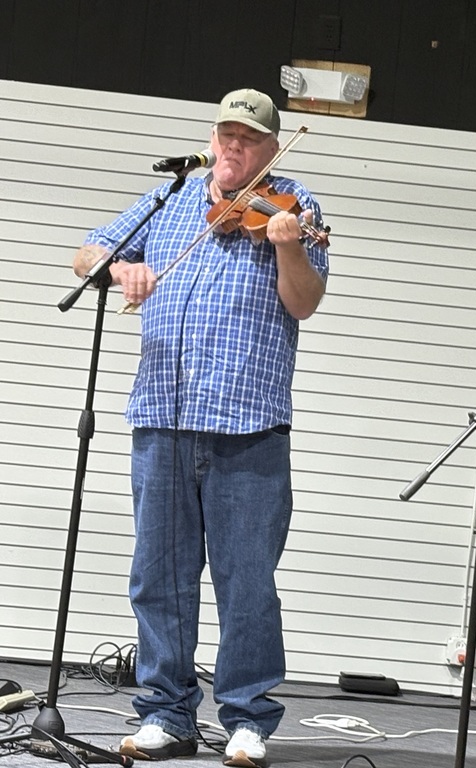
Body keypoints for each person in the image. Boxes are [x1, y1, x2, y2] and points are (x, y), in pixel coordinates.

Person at [72, 88, 329, 767]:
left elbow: (303, 303)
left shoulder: (293, 207)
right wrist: (122, 267)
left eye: (247, 138)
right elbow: (88, 252)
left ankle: (247, 718)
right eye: (225, 135)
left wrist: (288, 250)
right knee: (159, 577)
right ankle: (166, 714)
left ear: (271, 148)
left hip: (247, 427)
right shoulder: (173, 198)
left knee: (246, 583)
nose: (232, 147)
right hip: (162, 414)